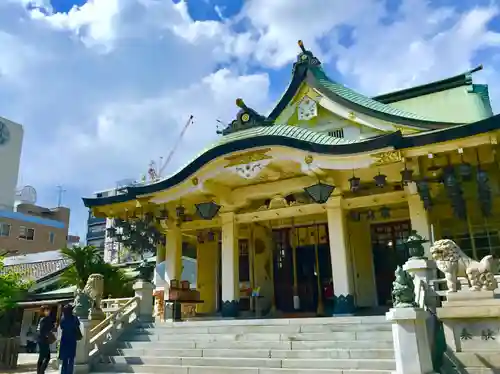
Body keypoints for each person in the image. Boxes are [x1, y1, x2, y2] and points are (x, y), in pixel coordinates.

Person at [59, 304, 81, 374]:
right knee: (71, 359)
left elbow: (61, 327)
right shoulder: (74, 318)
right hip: (72, 340)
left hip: (64, 340)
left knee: (64, 360)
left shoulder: (62, 318)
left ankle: (63, 372)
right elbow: (78, 327)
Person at [36, 305, 54, 374]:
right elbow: (42, 330)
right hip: (43, 340)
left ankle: (40, 371)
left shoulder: (43, 319)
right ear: (43, 311)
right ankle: (41, 371)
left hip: (42, 339)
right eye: (46, 310)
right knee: (46, 357)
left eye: (48, 310)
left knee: (42, 356)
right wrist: (47, 335)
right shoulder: (44, 319)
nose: (48, 312)